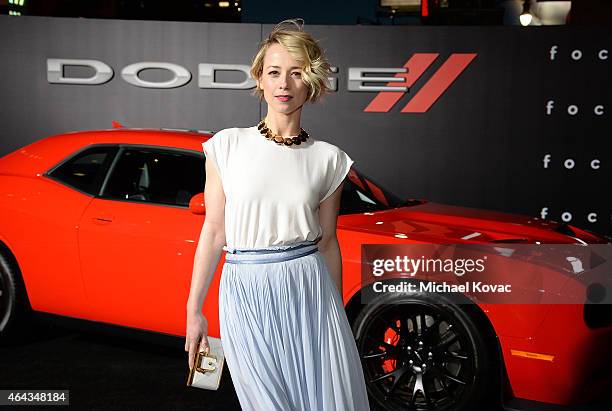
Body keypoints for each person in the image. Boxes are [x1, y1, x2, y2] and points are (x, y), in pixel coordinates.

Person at [185, 18, 371, 411]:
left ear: (312, 82)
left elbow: (328, 242)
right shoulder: (227, 146)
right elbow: (214, 230)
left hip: (308, 290)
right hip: (243, 291)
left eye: (296, 73)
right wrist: (194, 310)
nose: (284, 83)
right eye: (274, 72)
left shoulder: (329, 160)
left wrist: (334, 316)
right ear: (260, 79)